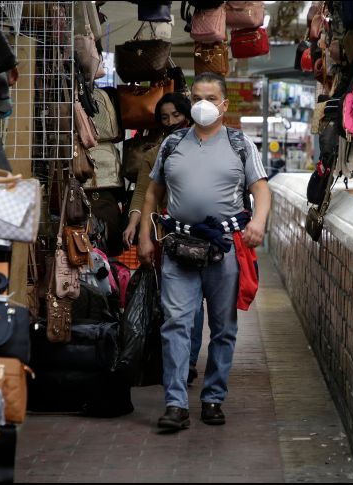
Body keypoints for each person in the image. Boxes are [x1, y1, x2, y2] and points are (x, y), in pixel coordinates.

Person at [139, 72, 271, 430]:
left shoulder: (241, 144)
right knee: (176, 323)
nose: (203, 104)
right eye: (197, 97)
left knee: (223, 327)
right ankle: (176, 403)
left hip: (224, 247)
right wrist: (144, 236)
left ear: (224, 105)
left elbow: (260, 189)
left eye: (211, 98)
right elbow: (153, 193)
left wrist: (257, 222)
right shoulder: (172, 144)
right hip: (178, 245)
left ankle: (213, 397)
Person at [123, 93, 204, 385]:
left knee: (192, 302)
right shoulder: (155, 152)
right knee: (174, 300)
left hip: (199, 234)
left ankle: (189, 361)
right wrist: (135, 223)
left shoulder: (207, 148)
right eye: (164, 118)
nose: (171, 122)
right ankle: (175, 360)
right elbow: (144, 193)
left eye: (175, 115)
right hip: (165, 234)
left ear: (188, 114)